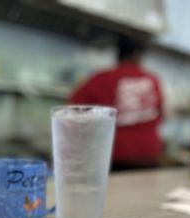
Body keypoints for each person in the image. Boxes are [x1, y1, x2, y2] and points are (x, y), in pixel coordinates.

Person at [69, 37, 163, 169]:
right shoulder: (152, 79)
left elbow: (72, 109)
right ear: (137, 56)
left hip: (114, 154)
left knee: (116, 190)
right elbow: (161, 113)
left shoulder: (101, 78)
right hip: (149, 154)